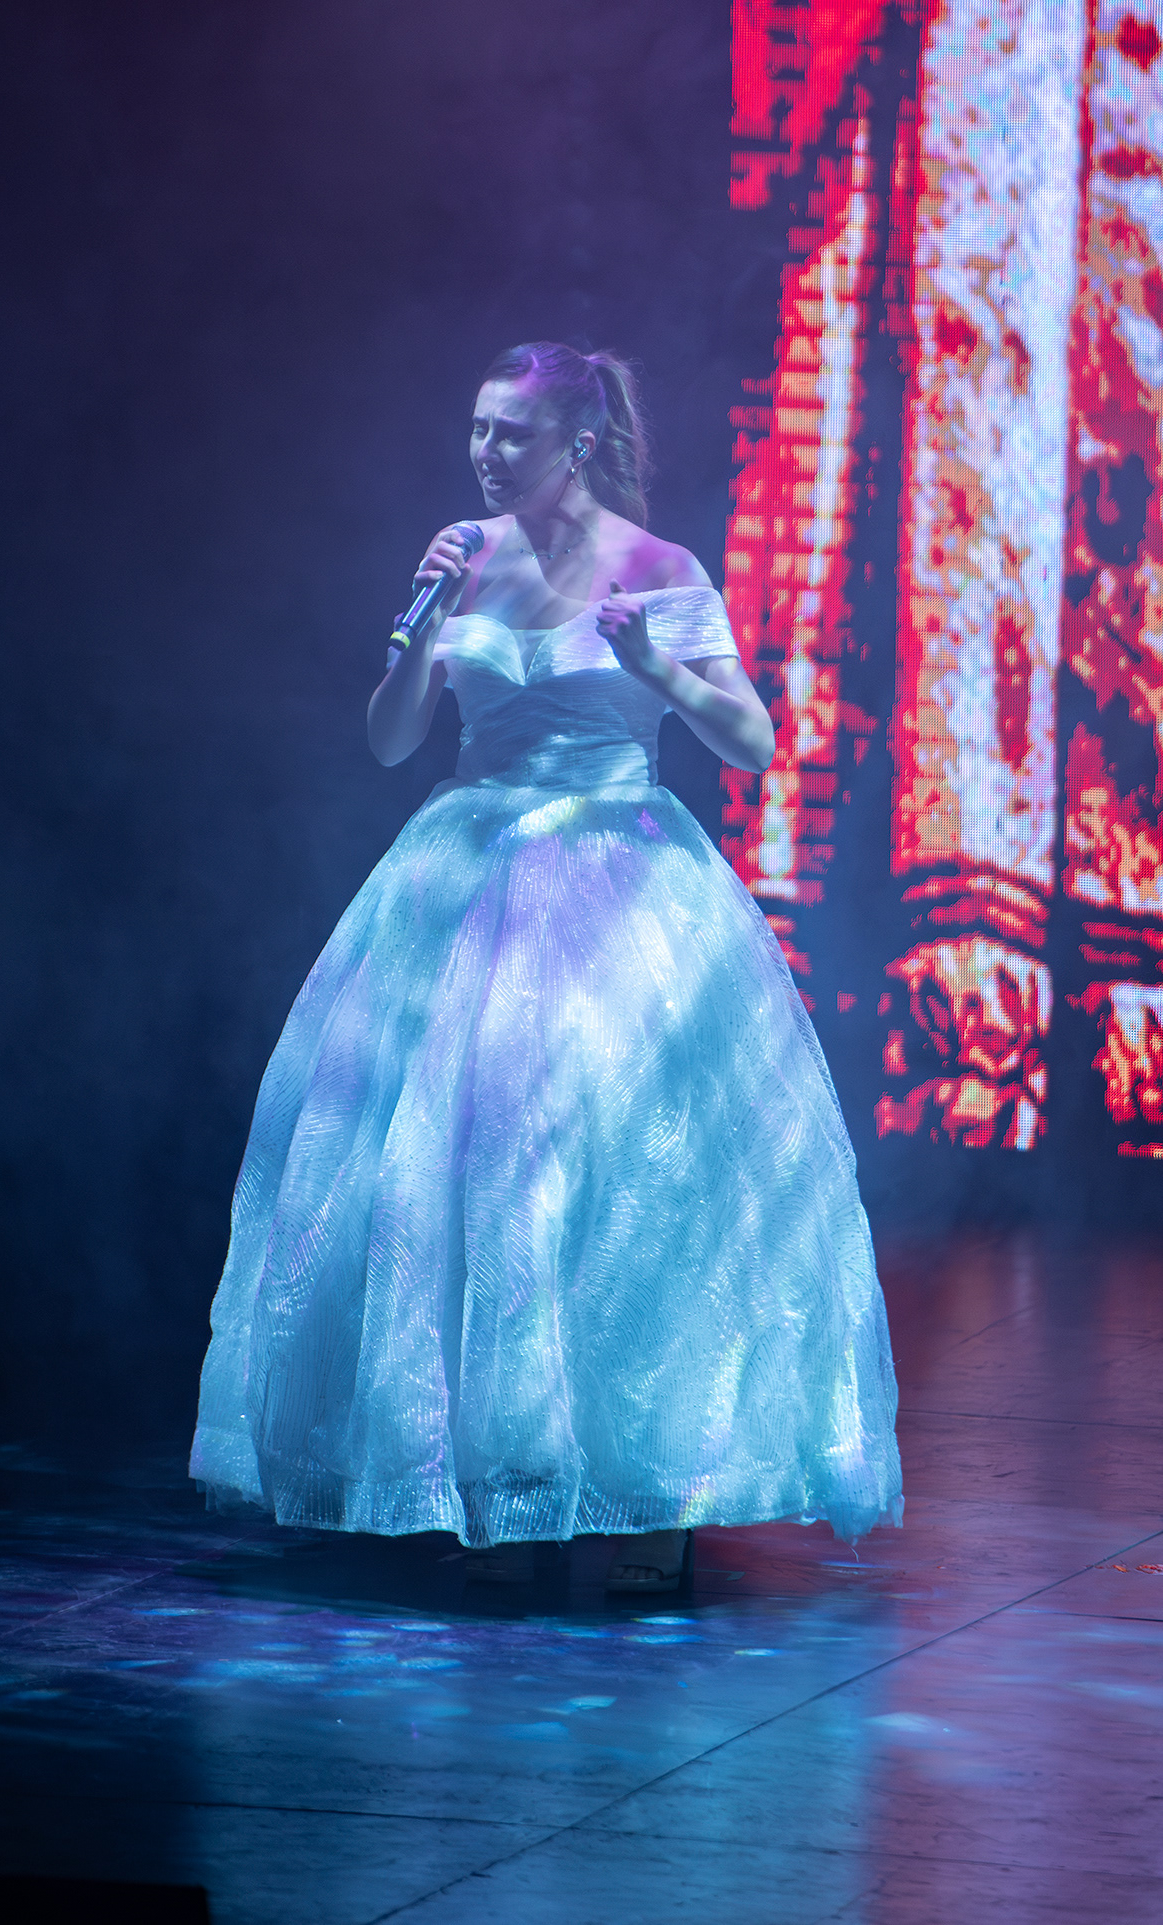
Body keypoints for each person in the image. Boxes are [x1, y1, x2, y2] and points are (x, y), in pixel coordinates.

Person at [190, 341, 902, 1591]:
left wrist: (659, 671)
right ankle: (489, 1477)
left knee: (622, 1183)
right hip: (463, 869)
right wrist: (419, 625)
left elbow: (751, 742)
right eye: (477, 427)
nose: (484, 451)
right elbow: (391, 739)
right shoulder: (460, 555)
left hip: (619, 877)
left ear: (577, 441)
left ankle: (647, 1491)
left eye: (509, 431)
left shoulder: (660, 569)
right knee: (453, 1176)